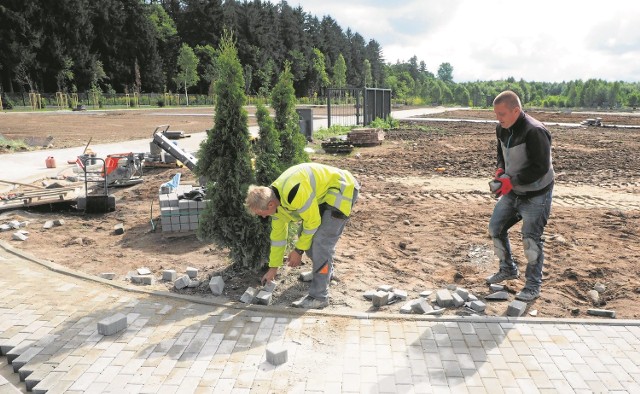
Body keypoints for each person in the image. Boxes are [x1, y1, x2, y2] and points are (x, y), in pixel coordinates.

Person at [245, 163, 360, 309]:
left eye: (261, 214)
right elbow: (278, 238)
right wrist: (273, 267)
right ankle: (323, 273)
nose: (262, 218)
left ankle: (319, 296)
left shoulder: (294, 191)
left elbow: (312, 223)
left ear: (270, 205)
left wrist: (298, 251)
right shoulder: (274, 201)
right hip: (326, 195)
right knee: (304, 235)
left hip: (343, 189)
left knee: (321, 244)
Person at [486, 90, 555, 302]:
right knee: (496, 228)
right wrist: (500, 171)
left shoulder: (535, 132)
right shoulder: (502, 128)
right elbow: (501, 153)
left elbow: (540, 168)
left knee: (531, 241)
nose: (498, 118)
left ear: (516, 110)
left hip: (536, 194)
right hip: (513, 191)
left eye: (502, 114)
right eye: (496, 114)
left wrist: (511, 181)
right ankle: (508, 269)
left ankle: (533, 286)